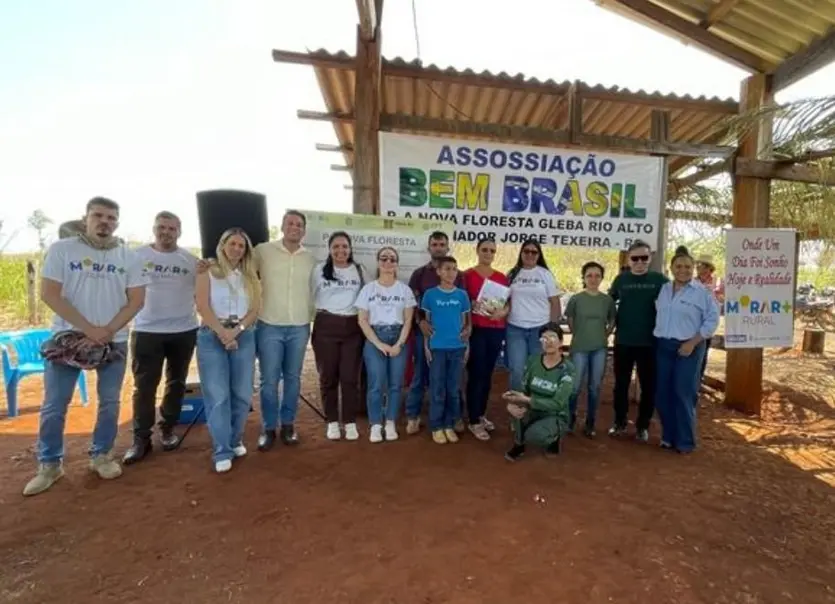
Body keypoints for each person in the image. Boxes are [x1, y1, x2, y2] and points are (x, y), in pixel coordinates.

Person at [23, 197, 148, 497]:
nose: (104, 221)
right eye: (98, 216)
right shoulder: (62, 250)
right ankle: (50, 464)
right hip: (67, 340)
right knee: (54, 405)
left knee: (110, 403)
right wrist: (88, 329)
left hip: (113, 342)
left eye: (111, 217)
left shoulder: (128, 258)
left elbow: (137, 300)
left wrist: (106, 331)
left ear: (117, 222)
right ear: (86, 219)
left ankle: (101, 455)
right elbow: (50, 294)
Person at [123, 211, 198, 464]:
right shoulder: (136, 256)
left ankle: (168, 430)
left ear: (179, 231)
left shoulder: (190, 260)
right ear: (154, 228)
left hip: (183, 331)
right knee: (144, 387)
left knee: (176, 383)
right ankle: (141, 438)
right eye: (162, 227)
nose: (166, 232)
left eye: (172, 228)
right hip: (147, 331)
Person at [195, 228, 261, 473]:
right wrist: (223, 333)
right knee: (218, 395)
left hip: (243, 335)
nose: (236, 248)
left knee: (243, 394)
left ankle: (235, 440)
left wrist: (237, 331)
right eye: (232, 243)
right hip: (212, 336)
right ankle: (221, 449)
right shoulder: (208, 270)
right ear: (222, 245)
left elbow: (255, 309)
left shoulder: (250, 275)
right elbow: (202, 304)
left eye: (241, 245)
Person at [254, 210, 316, 450]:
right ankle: (268, 427)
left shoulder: (310, 258)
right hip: (269, 325)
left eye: (299, 224)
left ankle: (288, 424)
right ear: (281, 226)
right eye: (290, 223)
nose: (295, 227)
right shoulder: (263, 251)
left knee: (293, 378)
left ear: (304, 230)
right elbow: (240, 268)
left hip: (299, 326)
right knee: (268, 381)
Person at [654, 246, 720, 454]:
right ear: (671, 268)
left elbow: (712, 320)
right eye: (679, 266)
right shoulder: (664, 289)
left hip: (689, 347)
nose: (683, 270)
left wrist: (693, 342)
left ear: (693, 269)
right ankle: (668, 435)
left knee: (683, 392)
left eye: (688, 267)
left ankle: (685, 441)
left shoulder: (702, 293)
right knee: (662, 393)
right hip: (664, 346)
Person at [608, 239, 668, 442]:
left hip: (650, 343)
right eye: (636, 258)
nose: (640, 262)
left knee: (648, 386)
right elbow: (609, 305)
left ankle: (643, 426)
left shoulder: (660, 280)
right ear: (628, 259)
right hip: (623, 341)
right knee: (621, 384)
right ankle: (619, 422)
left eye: (644, 257)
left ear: (650, 258)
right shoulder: (621, 280)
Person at [405, 231, 464, 435]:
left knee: (452, 380)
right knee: (421, 374)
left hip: (453, 338)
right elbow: (412, 304)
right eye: (435, 244)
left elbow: (464, 307)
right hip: (426, 335)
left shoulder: (459, 275)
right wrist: (420, 322)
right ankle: (413, 416)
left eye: (442, 244)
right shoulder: (419, 274)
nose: (438, 247)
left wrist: (466, 331)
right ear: (429, 248)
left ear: (447, 248)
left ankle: (454, 418)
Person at [356, 247, 416, 443]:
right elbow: (362, 320)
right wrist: (379, 344)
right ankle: (375, 424)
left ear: (397, 263)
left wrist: (399, 343)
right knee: (375, 384)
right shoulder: (368, 289)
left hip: (398, 337)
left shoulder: (404, 290)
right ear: (378, 262)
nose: (388, 262)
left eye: (392, 259)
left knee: (395, 384)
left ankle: (390, 421)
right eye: (384, 258)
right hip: (375, 338)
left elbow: (408, 320)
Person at [310, 231, 364, 441]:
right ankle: (332, 421)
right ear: (330, 249)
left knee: (350, 378)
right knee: (328, 376)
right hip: (325, 326)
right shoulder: (318, 271)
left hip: (352, 327)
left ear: (350, 249)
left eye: (344, 246)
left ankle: (349, 422)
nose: (340, 251)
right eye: (336, 247)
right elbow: (309, 295)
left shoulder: (359, 270)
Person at [503, 322, 574, 462]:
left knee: (534, 435)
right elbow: (524, 389)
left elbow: (558, 403)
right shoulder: (533, 361)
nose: (548, 342)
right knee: (516, 410)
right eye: (544, 339)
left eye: (552, 338)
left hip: (555, 414)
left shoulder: (567, 369)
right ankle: (519, 444)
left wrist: (528, 401)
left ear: (560, 342)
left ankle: (554, 437)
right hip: (533, 408)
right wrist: (511, 404)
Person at [421, 256, 471, 445]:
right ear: (439, 271)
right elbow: (426, 323)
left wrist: (467, 346)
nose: (451, 273)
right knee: (437, 389)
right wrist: (427, 346)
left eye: (454, 269)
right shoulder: (430, 295)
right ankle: (436, 426)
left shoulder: (462, 296)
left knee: (453, 388)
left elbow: (467, 325)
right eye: (447, 269)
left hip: (457, 348)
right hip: (437, 348)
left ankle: (449, 424)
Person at [462, 237, 508, 441]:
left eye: (492, 250)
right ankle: (472, 420)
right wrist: (471, 305)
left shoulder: (501, 277)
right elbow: (461, 302)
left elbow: (507, 304)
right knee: (476, 373)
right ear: (477, 251)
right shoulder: (466, 276)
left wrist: (503, 313)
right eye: (485, 249)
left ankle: (481, 414)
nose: (488, 253)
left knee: (488, 374)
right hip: (477, 329)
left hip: (496, 329)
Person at [564, 261, 616, 438]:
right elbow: (570, 319)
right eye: (589, 275)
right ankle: (570, 420)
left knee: (594, 387)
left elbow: (612, 320)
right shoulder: (576, 299)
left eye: (597, 275)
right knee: (575, 386)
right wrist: (578, 334)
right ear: (584, 278)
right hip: (579, 348)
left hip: (599, 348)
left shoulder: (607, 300)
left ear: (602, 278)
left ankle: (590, 423)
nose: (593, 279)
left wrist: (605, 334)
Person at [505, 239, 561, 392]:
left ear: (539, 255)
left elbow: (555, 302)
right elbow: (504, 301)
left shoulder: (545, 274)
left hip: (540, 329)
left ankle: (534, 407)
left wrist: (553, 329)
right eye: (526, 251)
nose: (530, 254)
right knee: (516, 370)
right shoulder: (512, 274)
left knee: (538, 370)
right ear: (521, 253)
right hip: (515, 329)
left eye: (534, 252)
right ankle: (517, 409)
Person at [695, 253, 725, 382]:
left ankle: (699, 378)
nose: (697, 267)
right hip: (693, 322)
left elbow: (722, 300)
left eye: (700, 265)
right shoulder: (692, 281)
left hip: (708, 323)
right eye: (697, 265)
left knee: (703, 351)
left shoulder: (717, 283)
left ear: (708, 268)